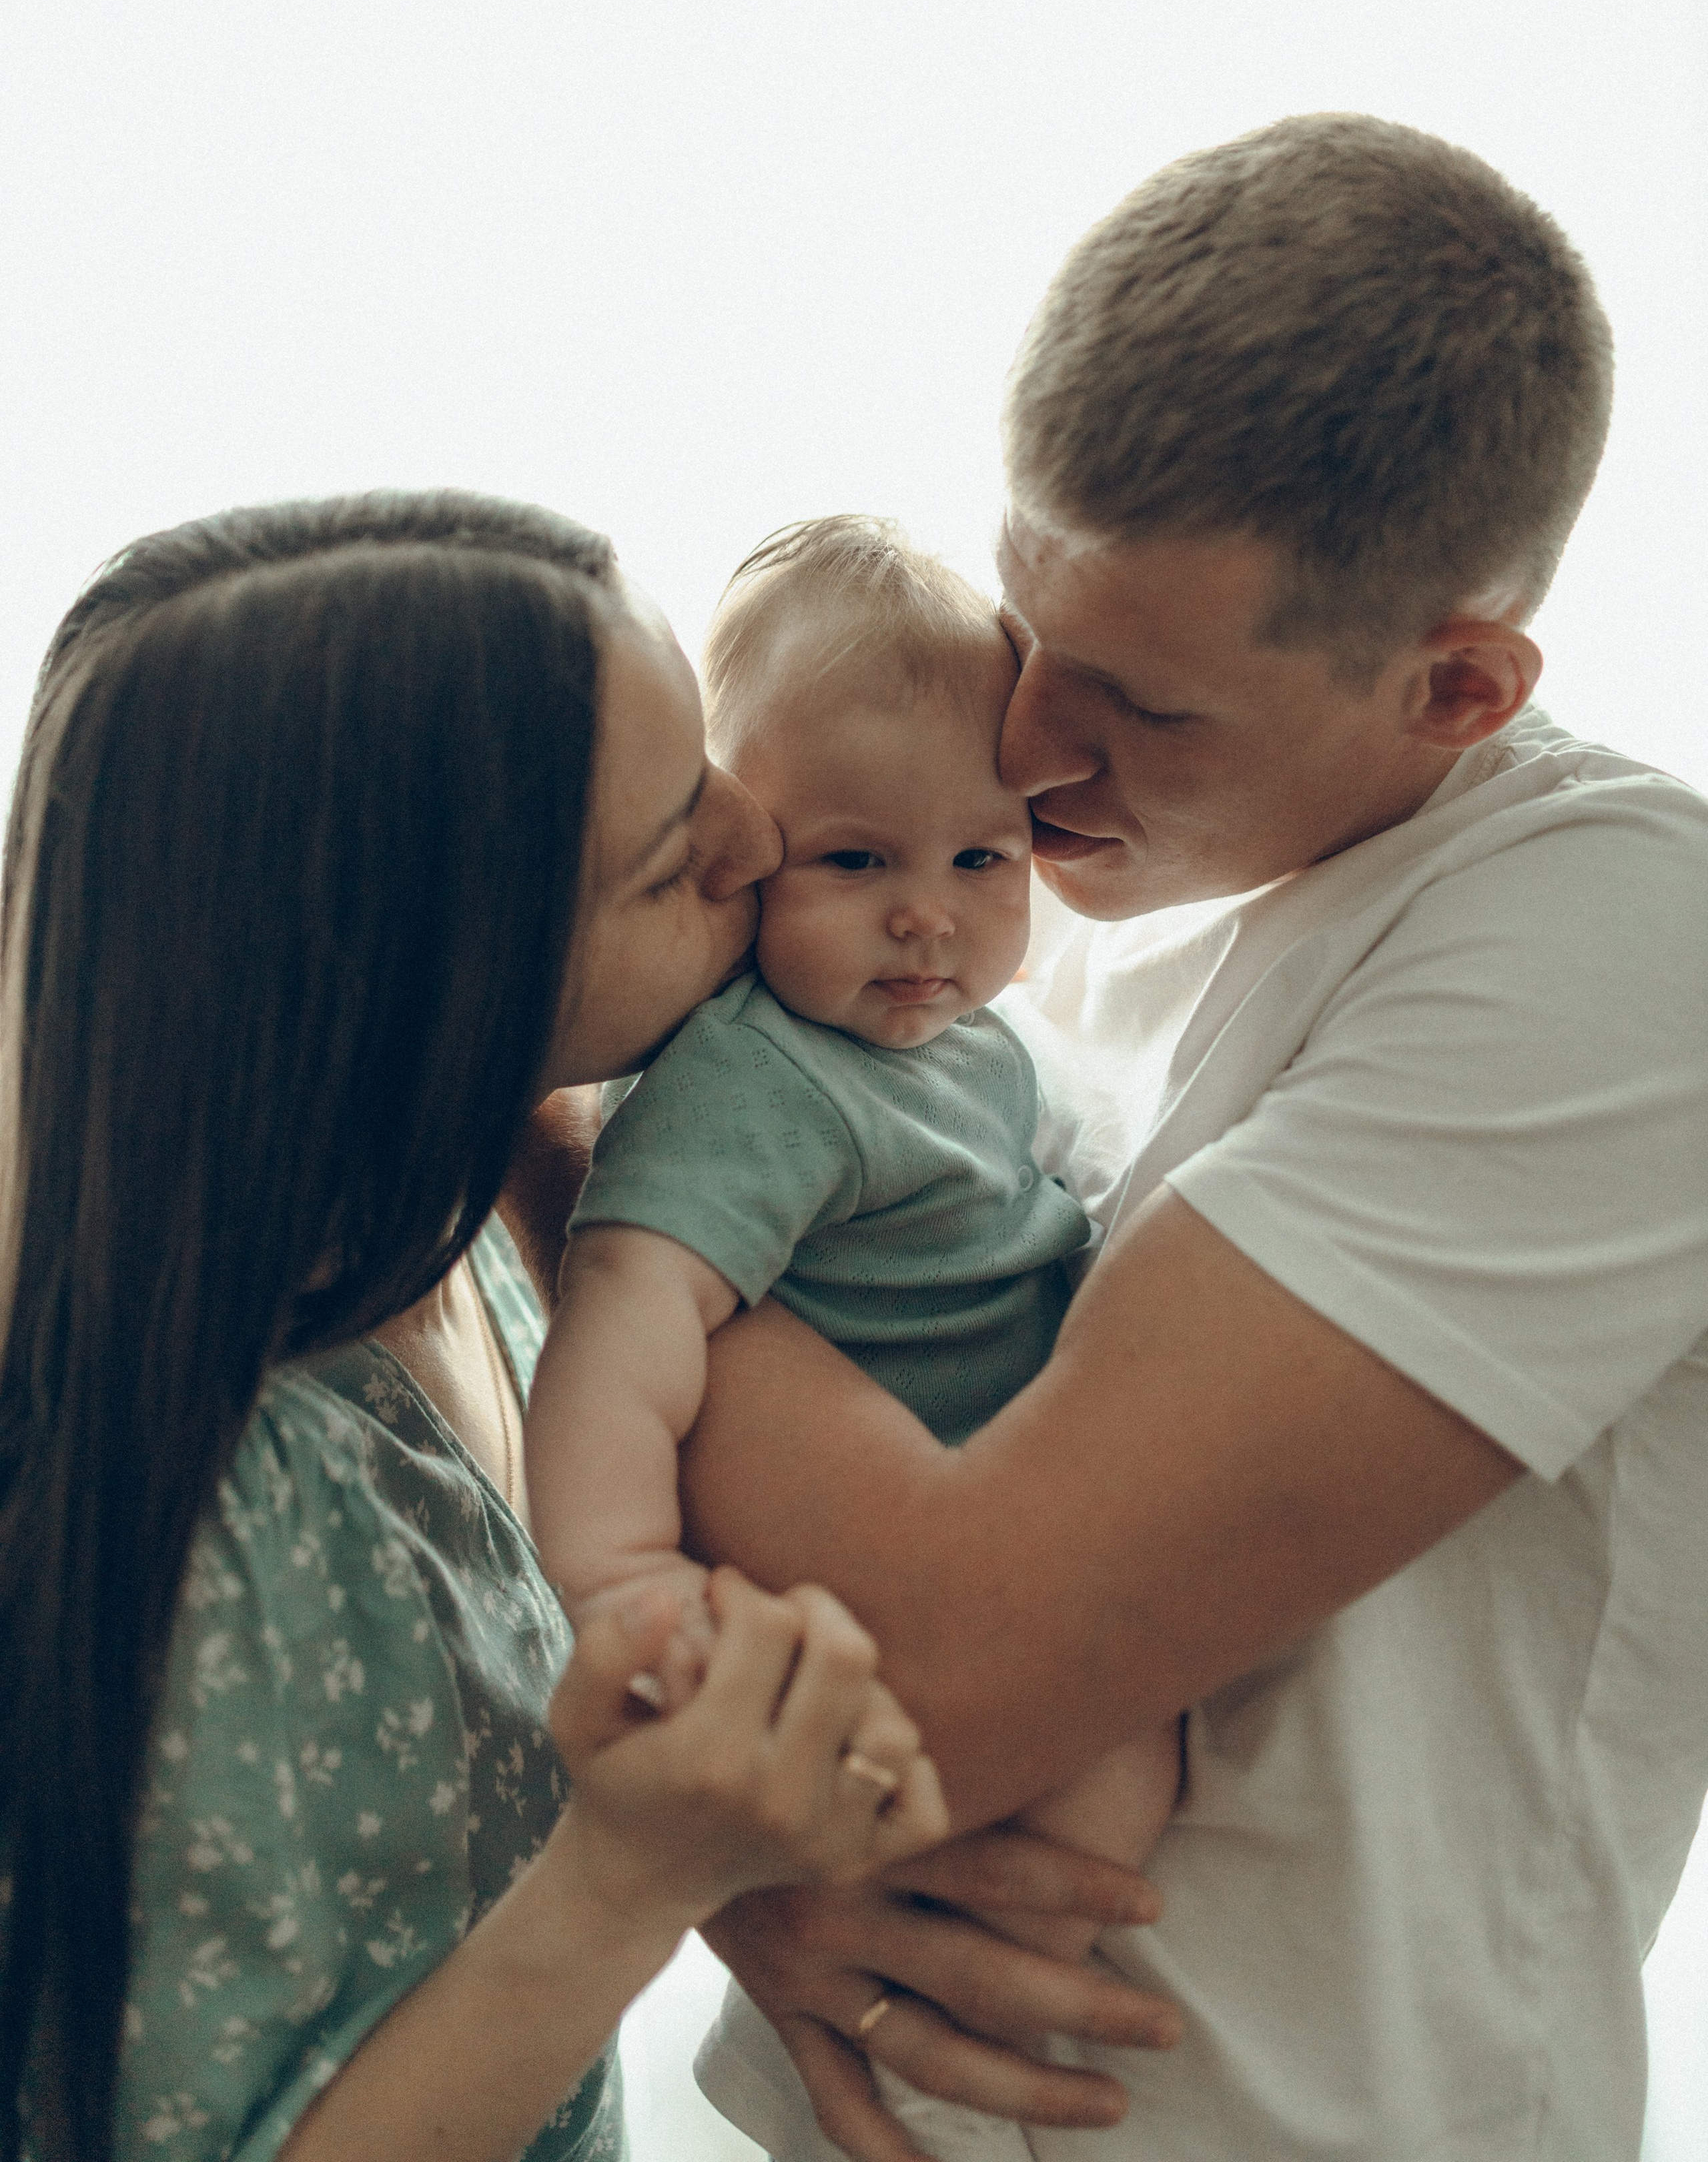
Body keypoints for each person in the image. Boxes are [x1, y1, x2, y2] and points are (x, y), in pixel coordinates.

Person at [602, 115, 1707, 2162]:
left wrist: (600, 1194)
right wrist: (732, 1863)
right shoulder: (1047, 944)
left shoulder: (1632, 936)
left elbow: (943, 1668)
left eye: (1142, 704)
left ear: (1459, 685)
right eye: (1030, 634)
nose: (1022, 751)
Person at [0, 489, 955, 2162]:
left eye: (704, 762)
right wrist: (635, 1882)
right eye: (672, 858)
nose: (759, 835)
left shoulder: (488, 1215)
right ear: (442, 989)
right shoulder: (224, 1517)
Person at [524, 516, 1182, 2162]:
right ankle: (928, 2100)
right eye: (852, 863)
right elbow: (622, 1320)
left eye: (980, 861)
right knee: (1086, 1822)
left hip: (1011, 1495)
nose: (925, 922)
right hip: (863, 1583)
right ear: (741, 843)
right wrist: (620, 1575)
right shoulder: (757, 1081)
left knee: (1122, 1805)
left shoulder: (976, 1042)